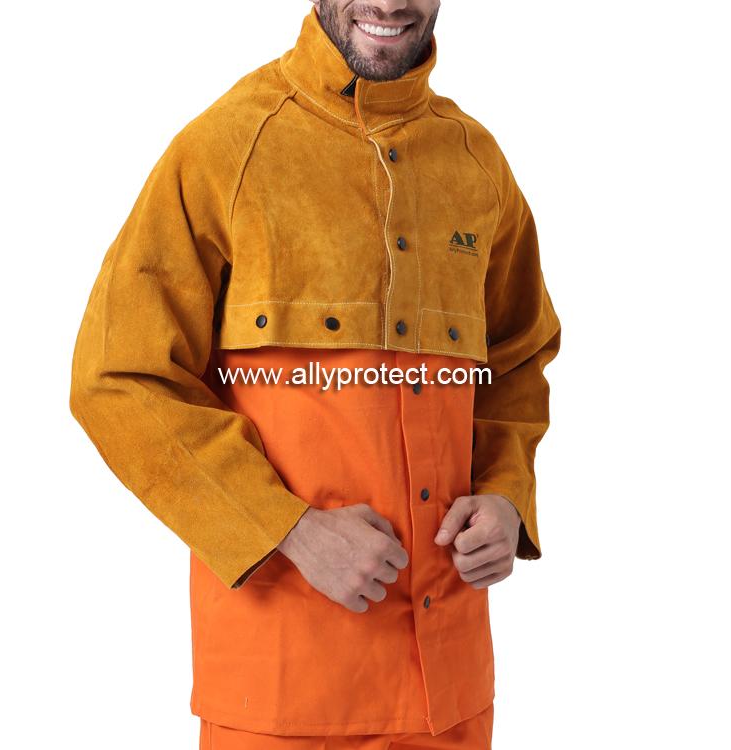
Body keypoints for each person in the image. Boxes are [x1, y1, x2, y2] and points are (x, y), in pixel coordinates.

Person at [69, 1, 561, 747]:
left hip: (451, 693)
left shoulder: (476, 164)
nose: (389, 3)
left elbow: (517, 357)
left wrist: (505, 493)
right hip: (285, 691)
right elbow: (117, 377)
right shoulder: (226, 150)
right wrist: (288, 530)